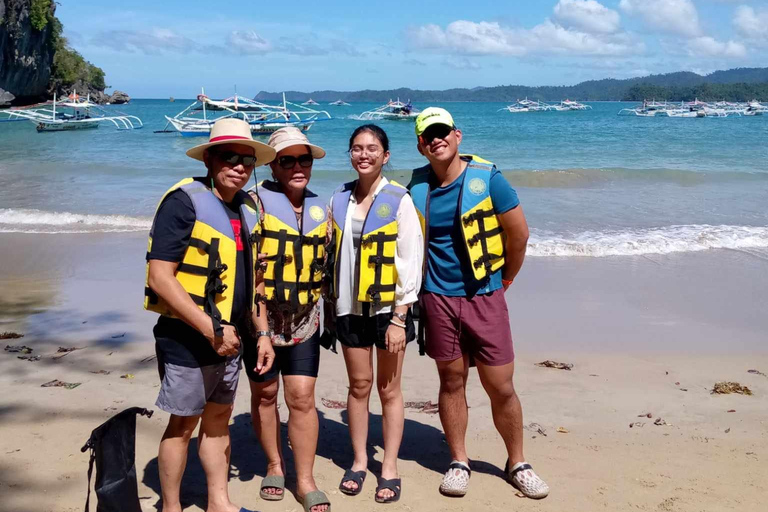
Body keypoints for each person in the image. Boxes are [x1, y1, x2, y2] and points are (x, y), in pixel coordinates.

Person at [407, 108, 550, 499]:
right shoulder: (417, 185)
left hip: (484, 296)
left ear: (457, 135)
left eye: (442, 132)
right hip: (437, 297)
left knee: (500, 385)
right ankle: (458, 460)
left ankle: (517, 462)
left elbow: (518, 235)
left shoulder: (489, 179)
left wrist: (505, 279)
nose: (436, 139)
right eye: (428, 135)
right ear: (420, 145)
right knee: (451, 381)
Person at [145, 118, 276, 512]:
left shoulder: (248, 210)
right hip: (189, 336)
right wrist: (209, 329)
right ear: (209, 159)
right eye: (229, 157)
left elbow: (256, 281)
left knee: (218, 422)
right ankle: (171, 507)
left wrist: (263, 333)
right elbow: (161, 276)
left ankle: (219, 502)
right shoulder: (183, 202)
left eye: (247, 160)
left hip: (232, 339)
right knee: (183, 425)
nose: (239, 166)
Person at [327, 124, 423, 504]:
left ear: (386, 156)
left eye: (371, 148)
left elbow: (410, 262)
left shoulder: (398, 199)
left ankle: (390, 467)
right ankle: (360, 460)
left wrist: (401, 316)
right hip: (349, 307)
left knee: (389, 389)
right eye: (356, 148)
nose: (363, 155)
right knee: (359, 386)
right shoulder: (339, 199)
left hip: (388, 311)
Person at [245, 127, 331, 512]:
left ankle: (305, 478)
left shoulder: (321, 209)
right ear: (273, 166)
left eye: (304, 159)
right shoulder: (253, 205)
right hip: (260, 320)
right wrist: (260, 329)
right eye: (287, 160)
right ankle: (274, 464)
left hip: (304, 321)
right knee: (265, 394)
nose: (298, 167)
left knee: (302, 398)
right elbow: (247, 274)